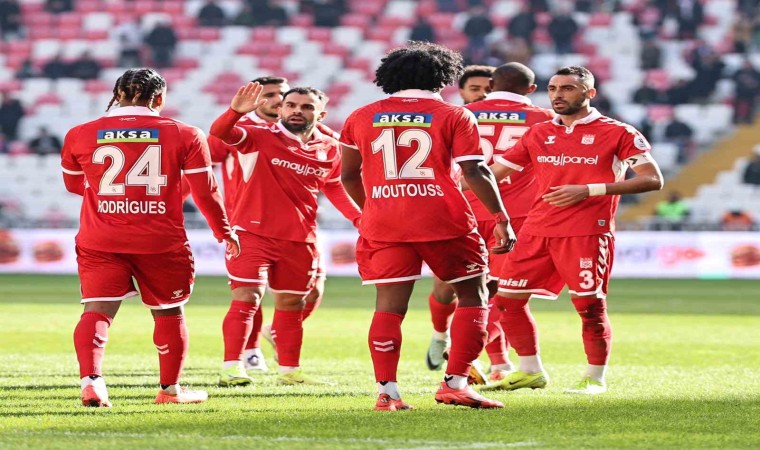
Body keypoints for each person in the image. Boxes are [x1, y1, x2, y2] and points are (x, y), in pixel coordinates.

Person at [339, 41, 517, 411]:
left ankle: (387, 393)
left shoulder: (360, 116)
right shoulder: (453, 115)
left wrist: (373, 209)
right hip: (444, 219)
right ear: (443, 76)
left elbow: (348, 176)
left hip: (384, 222)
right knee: (474, 296)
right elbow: (475, 170)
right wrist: (501, 218)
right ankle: (455, 384)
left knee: (389, 307)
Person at [61, 68, 239, 407]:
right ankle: (169, 391)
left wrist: (115, 197)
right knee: (169, 311)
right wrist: (224, 231)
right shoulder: (185, 133)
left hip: (101, 238)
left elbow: (74, 185)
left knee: (97, 310)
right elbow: (205, 191)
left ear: (116, 95)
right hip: (160, 241)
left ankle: (92, 382)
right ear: (159, 98)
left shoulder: (80, 133)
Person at [484, 66, 664, 395]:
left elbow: (652, 179)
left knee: (589, 308)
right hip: (537, 230)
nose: (558, 94)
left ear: (589, 93)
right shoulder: (537, 133)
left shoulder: (618, 132)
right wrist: (451, 185)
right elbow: (493, 174)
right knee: (507, 301)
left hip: (586, 233)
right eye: (553, 88)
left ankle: (595, 378)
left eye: (567, 88)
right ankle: (530, 370)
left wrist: (589, 190)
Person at [210, 84, 361, 387]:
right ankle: (232, 367)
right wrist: (235, 112)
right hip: (251, 233)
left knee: (292, 304)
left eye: (306, 107)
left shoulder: (329, 147)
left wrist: (360, 218)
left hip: (300, 238)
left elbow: (333, 186)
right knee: (247, 297)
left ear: (321, 115)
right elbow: (220, 134)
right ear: (280, 109)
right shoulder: (259, 137)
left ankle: (290, 371)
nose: (296, 111)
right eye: (291, 105)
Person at [425, 62, 555, 384]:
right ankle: (454, 344)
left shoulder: (458, 114)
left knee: (469, 289)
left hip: (461, 210)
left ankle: (496, 361)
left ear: (492, 86)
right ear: (531, 89)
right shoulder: (545, 118)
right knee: (501, 292)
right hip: (515, 215)